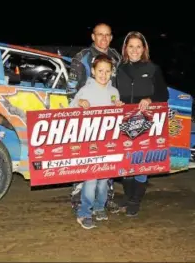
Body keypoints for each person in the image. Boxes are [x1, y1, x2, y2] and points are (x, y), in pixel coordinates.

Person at [113, 31, 169, 217]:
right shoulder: (119, 69)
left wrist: (150, 99)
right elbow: (114, 94)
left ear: (144, 48)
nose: (135, 50)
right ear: (125, 49)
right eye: (131, 46)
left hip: (146, 122)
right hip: (124, 122)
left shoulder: (153, 68)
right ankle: (129, 198)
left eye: (138, 46)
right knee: (126, 164)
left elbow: (164, 95)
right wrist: (116, 102)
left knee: (141, 163)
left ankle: (135, 201)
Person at [69, 23, 121, 213]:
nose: (103, 38)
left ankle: (105, 199)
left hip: (108, 121)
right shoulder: (82, 56)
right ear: (93, 36)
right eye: (100, 35)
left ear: (111, 37)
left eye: (107, 35)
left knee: (108, 162)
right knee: (86, 165)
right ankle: (79, 199)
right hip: (86, 120)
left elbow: (117, 87)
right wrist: (76, 110)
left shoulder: (116, 57)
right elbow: (71, 88)